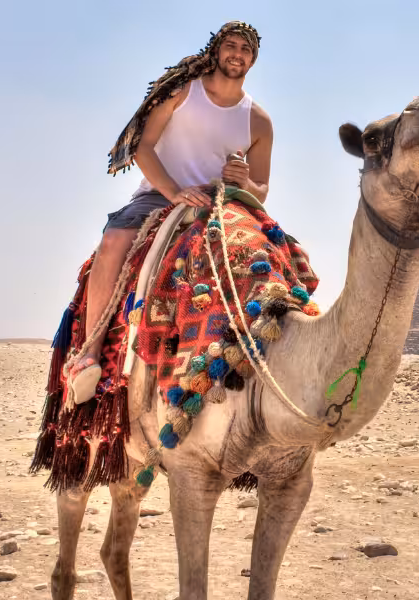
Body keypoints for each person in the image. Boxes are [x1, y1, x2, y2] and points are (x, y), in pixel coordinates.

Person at [69, 21, 273, 404]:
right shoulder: (182, 92)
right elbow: (143, 148)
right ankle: (89, 355)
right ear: (216, 51)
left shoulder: (258, 121)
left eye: (246, 50)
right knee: (114, 240)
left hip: (221, 204)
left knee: (276, 256)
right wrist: (175, 192)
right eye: (230, 45)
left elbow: (262, 188)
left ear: (253, 60)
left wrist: (243, 181)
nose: (237, 54)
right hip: (161, 195)